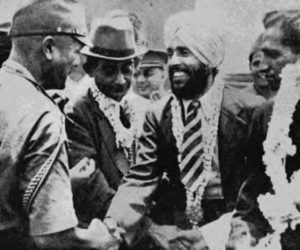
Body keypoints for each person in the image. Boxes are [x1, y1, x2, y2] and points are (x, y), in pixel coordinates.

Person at [105, 10, 265, 249]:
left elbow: (261, 191)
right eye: (170, 53)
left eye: (184, 52)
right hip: (179, 226)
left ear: (209, 60)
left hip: (234, 224)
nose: (174, 62)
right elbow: (141, 178)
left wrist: (215, 235)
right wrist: (114, 222)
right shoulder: (158, 114)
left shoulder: (251, 112)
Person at [0, 1, 120, 249]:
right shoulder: (42, 113)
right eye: (76, 51)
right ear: (49, 48)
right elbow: (54, 237)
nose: (78, 63)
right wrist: (100, 239)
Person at [225, 9, 300, 250]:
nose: (263, 66)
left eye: (274, 55)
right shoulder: (265, 116)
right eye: (260, 55)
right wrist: (243, 233)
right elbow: (249, 204)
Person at [65, 14, 146, 226]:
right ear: (91, 68)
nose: (120, 80)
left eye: (127, 69)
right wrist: (146, 227)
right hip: (104, 228)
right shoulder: (79, 113)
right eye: (109, 71)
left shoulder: (132, 108)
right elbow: (94, 191)